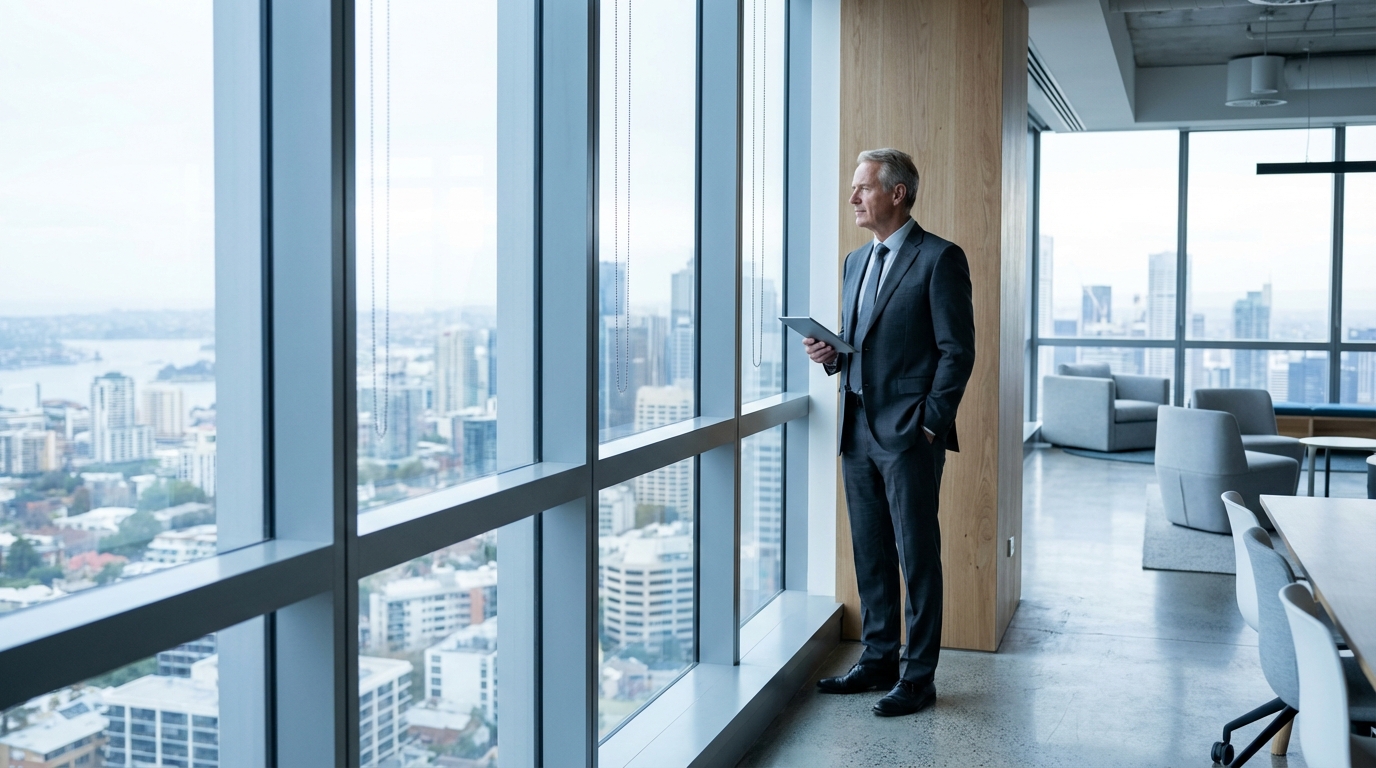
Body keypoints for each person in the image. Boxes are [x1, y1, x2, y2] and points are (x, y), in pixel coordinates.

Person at [803, 148, 975, 717]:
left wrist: (929, 424)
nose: (853, 197)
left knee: (917, 556)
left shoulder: (939, 258)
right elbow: (863, 345)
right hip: (856, 429)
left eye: (863, 188)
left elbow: (957, 351)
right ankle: (877, 659)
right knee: (870, 553)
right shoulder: (855, 262)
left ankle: (918, 677)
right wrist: (832, 355)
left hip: (908, 436)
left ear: (897, 193)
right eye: (853, 188)